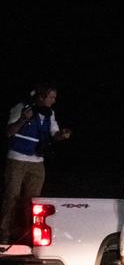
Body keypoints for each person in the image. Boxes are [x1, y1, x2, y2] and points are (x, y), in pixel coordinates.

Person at [2, 82, 72, 243]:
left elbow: (54, 135)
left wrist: (62, 135)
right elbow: (9, 132)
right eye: (51, 97)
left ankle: (28, 234)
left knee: (33, 200)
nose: (53, 100)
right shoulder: (21, 107)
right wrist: (22, 119)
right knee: (11, 197)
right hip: (17, 159)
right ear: (41, 97)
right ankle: (4, 235)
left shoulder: (49, 114)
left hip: (37, 162)